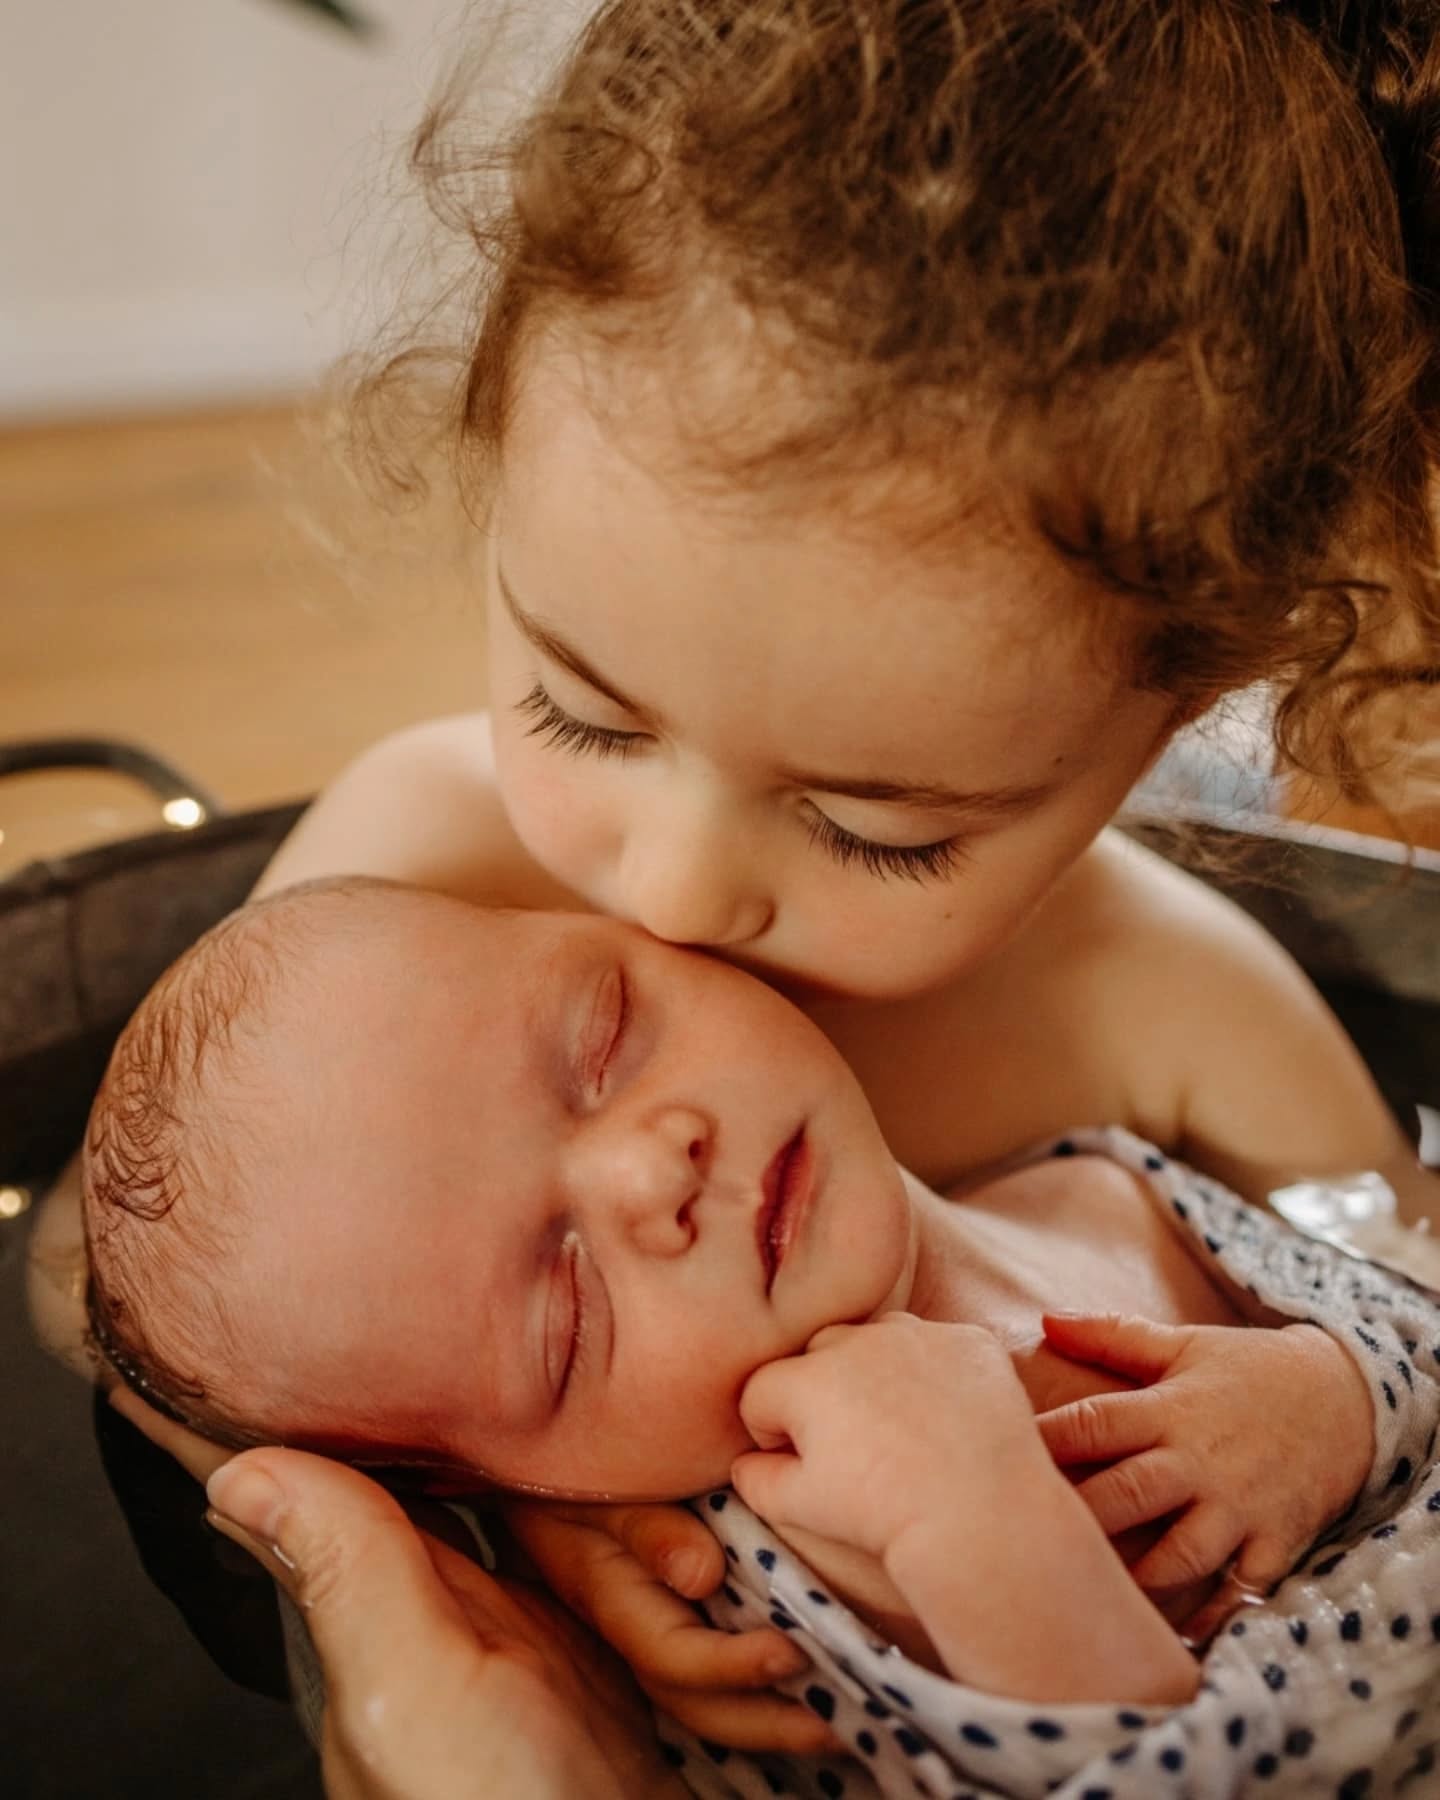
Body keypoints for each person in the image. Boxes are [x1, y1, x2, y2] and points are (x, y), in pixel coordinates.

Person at [29, 0, 1440, 1773]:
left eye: (878, 827)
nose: (674, 890)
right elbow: (116, 1282)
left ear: (1180, 711)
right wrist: (516, 1503)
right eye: (581, 707)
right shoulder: (432, 859)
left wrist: (1317, 1398)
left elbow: (1409, 1282)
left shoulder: (1154, 997)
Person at [84, 879, 1397, 1731]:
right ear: (542, 1492)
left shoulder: (1085, 1178)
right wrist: (982, 1533)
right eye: (568, 1301)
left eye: (603, 1039)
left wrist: (1340, 1397)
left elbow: (1404, 1279)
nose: (655, 1170)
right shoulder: (793, 1587)